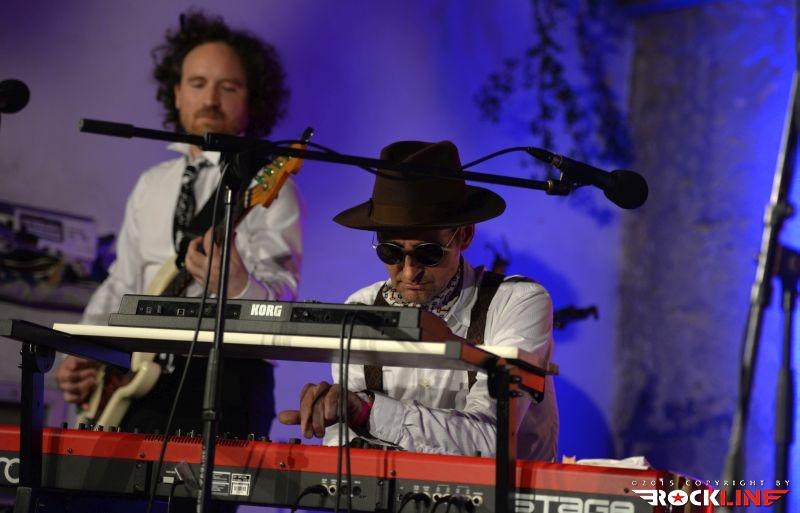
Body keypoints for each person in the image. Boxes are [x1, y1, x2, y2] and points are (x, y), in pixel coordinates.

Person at [54, 10, 302, 438]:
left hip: (226, 382)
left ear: (252, 100)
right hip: (138, 386)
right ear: (177, 94)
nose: (211, 99)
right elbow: (122, 281)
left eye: (229, 87)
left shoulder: (271, 185)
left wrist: (239, 285)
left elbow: (282, 300)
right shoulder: (151, 184)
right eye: (197, 83)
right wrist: (83, 350)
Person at [278, 140, 557, 460]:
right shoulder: (360, 308)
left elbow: (491, 441)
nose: (410, 271)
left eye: (429, 253)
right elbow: (348, 443)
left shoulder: (517, 303)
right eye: (391, 252)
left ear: (465, 235)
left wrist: (368, 411)